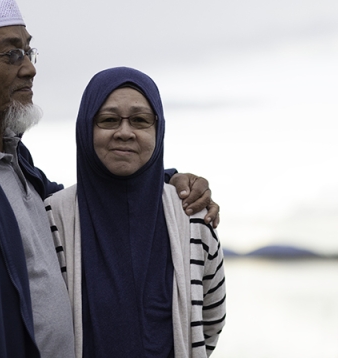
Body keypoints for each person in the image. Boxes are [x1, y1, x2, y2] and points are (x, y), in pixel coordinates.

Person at [0, 0, 220, 357]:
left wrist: (161, 180)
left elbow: (94, 195)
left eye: (28, 51)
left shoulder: (14, 162)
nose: (29, 68)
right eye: (10, 54)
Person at [45, 67, 226, 357]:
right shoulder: (52, 218)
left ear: (159, 130)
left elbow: (210, 323)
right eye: (108, 120)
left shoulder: (192, 218)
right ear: (85, 128)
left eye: (141, 121)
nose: (125, 132)